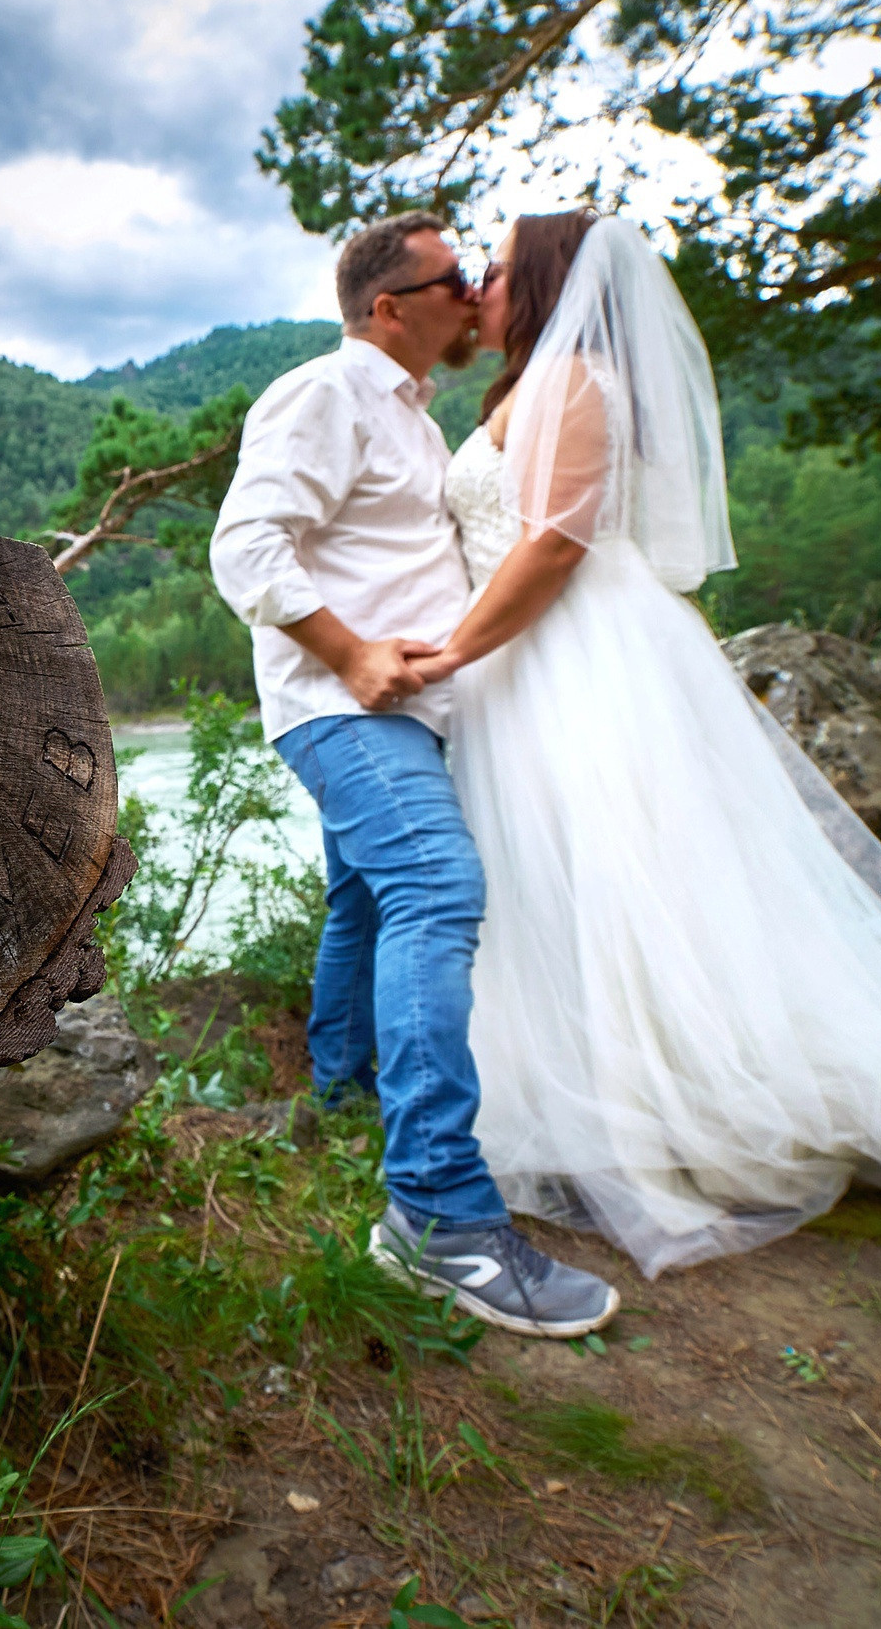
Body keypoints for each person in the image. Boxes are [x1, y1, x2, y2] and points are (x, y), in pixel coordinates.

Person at [409, 211, 881, 1277]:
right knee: (565, 881)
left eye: (493, 268)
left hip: (575, 651)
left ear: (544, 283)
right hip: (525, 658)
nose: (478, 284)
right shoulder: (527, 383)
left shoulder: (570, 378)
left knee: (626, 878)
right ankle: (600, 1092)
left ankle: (667, 1113)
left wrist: (448, 652)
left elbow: (555, 544)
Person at [209, 213, 622, 1338]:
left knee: (365, 894)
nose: (475, 290)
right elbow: (244, 548)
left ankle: (342, 1098)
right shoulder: (323, 395)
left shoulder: (418, 421)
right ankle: (438, 1212)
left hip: (413, 708)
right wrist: (350, 654)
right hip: (347, 710)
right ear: (391, 308)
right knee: (439, 889)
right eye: (455, 278)